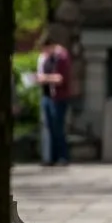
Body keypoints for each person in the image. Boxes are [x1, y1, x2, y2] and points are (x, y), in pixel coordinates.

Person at [35, 32, 73, 166]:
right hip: (46, 96)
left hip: (58, 97)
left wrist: (45, 78)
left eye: (45, 49)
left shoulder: (61, 57)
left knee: (58, 127)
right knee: (48, 127)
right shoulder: (45, 58)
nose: (44, 52)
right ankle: (49, 157)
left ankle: (62, 156)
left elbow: (60, 78)